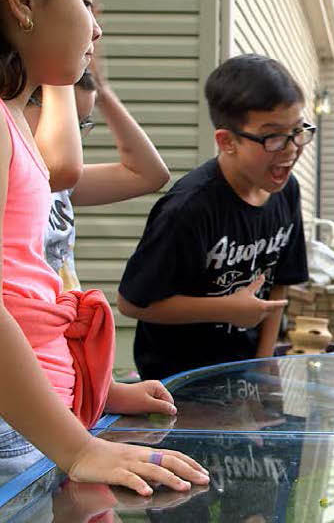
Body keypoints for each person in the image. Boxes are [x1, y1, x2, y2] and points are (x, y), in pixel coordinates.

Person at [0, 0, 208, 519]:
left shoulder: (2, 116)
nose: (97, 27)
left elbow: (26, 289)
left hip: (18, 419)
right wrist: (79, 447)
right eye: (87, 1)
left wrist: (100, 394)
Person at [117, 54, 310, 382]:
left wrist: (263, 367)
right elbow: (131, 303)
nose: (291, 148)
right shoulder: (189, 208)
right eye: (273, 136)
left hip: (246, 375)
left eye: (298, 130)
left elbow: (278, 288)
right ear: (227, 141)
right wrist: (226, 309)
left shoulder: (286, 191)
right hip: (179, 383)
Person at [26, 54, 170, 290]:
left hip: (63, 318)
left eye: (82, 124)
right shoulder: (9, 176)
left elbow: (150, 174)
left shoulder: (59, 185)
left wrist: (103, 93)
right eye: (69, 120)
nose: (74, 137)